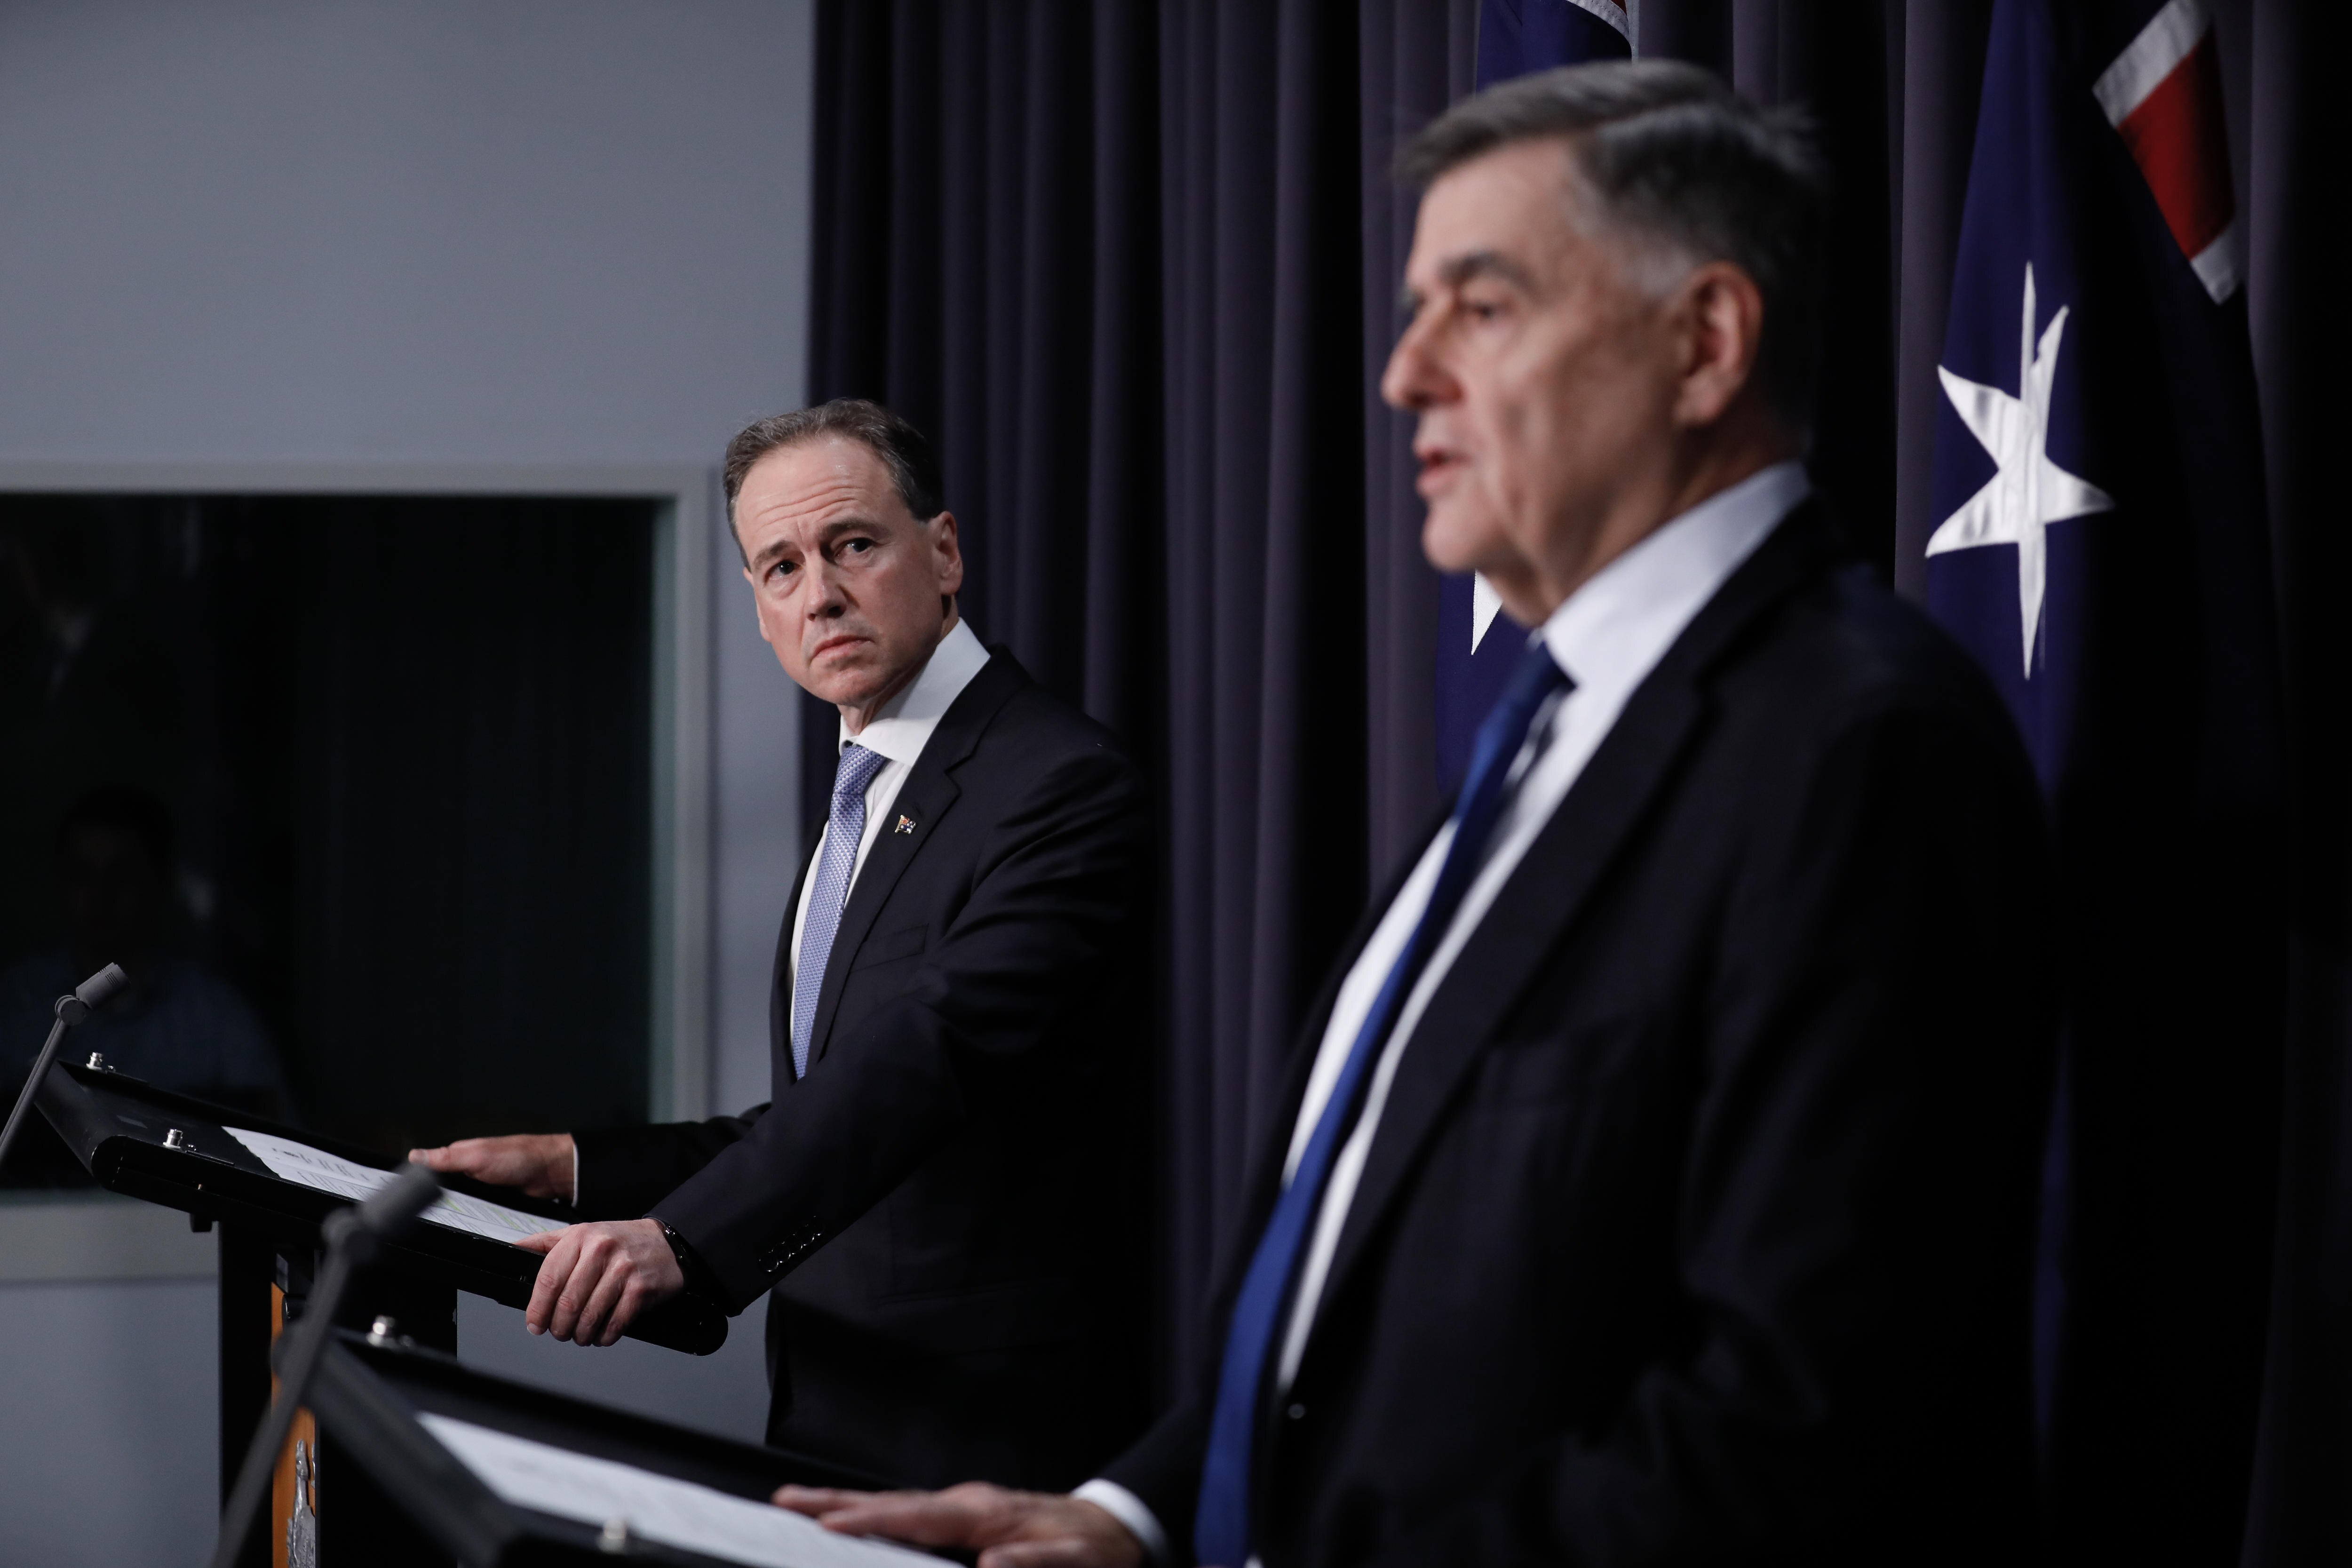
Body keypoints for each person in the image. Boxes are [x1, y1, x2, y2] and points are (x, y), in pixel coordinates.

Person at [770, 62, 2057, 1568]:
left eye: (1482, 306)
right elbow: (1378, 1276)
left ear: (1702, 343)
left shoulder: (1859, 750)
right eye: (1411, 310)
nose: (1403, 374)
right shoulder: (1555, 731)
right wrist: (1137, 1511)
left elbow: (1787, 1430)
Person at [412, 399, 1150, 1490]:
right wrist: (580, 1168)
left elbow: (921, 1061)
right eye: (781, 568)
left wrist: (687, 1239)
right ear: (760, 613)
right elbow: (819, 1104)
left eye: (853, 544)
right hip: (838, 1403)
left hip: (984, 1433)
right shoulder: (872, 783)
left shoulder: (1053, 779)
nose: (823, 594)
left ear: (942, 554)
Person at [2, 786, 289, 1186]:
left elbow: (276, 1146)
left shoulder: (217, 1015)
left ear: (159, 880)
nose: (102, 896)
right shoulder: (16, 1004)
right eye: (84, 873)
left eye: (122, 873)